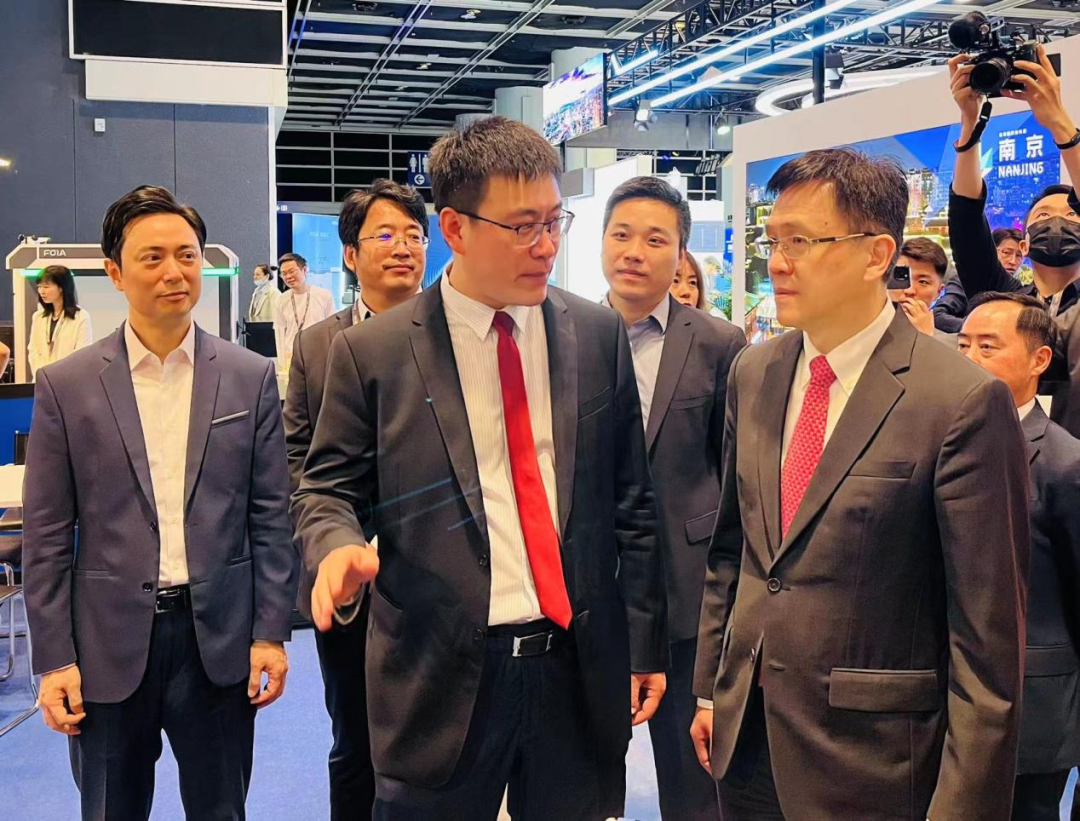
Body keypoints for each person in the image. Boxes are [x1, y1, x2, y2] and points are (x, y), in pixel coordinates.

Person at [292, 115, 669, 821]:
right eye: (523, 227)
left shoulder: (595, 334)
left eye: (555, 222)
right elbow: (326, 487)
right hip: (439, 672)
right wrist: (335, 545)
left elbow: (632, 502)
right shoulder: (374, 352)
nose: (547, 246)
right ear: (455, 229)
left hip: (573, 667)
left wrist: (644, 642)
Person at [690, 148, 1030, 820]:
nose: (777, 262)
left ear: (876, 255)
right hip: (748, 742)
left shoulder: (958, 400)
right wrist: (711, 687)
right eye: (772, 240)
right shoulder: (754, 373)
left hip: (874, 762)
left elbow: (986, 641)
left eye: (801, 242)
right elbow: (735, 550)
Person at [22, 185, 297, 820]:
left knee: (222, 809)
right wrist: (55, 657)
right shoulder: (67, 385)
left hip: (219, 641)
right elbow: (47, 533)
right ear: (115, 272)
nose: (174, 271)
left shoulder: (248, 376)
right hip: (107, 644)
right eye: (152, 257)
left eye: (186, 255)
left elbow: (269, 516)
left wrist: (270, 632)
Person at [284, 179, 428, 821]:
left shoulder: (454, 335)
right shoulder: (317, 346)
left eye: (415, 235)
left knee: (442, 738)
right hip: (347, 580)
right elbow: (298, 462)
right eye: (385, 235)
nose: (403, 247)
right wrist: (332, 544)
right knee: (354, 739)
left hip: (436, 574)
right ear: (350, 255)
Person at [601, 176, 744, 821]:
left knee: (692, 778)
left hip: (687, 587)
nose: (634, 251)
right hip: (589, 588)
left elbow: (733, 474)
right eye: (621, 235)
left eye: (655, 239)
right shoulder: (563, 332)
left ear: (681, 253)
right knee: (579, 771)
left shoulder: (719, 343)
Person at [958, 292, 1080, 821]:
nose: (969, 358)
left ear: (1039, 360)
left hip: (1032, 702)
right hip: (940, 695)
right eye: (963, 345)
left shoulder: (1064, 464)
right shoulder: (930, 440)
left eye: (988, 346)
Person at [949, 44, 1080, 435]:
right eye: (1043, 216)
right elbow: (967, 222)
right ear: (1024, 245)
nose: (1057, 222)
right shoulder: (1005, 302)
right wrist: (970, 125)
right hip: (1007, 455)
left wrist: (1059, 123)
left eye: (1072, 216)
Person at [933, 230, 1025, 333]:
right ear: (991, 253)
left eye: (1019, 256)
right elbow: (937, 315)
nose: (1013, 261)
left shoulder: (1019, 289)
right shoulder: (967, 280)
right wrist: (977, 329)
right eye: (1006, 253)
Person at [273, 252, 336, 379]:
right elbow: (279, 332)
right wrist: (282, 363)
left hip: (319, 356)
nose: (288, 276)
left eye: (292, 271)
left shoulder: (324, 295)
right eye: (284, 274)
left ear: (304, 270)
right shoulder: (281, 300)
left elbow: (332, 328)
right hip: (291, 357)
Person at [28, 265, 92, 379]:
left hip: (68, 381)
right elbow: (33, 351)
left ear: (62, 287)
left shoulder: (81, 317)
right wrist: (44, 376)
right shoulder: (38, 317)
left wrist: (57, 377)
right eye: (39, 286)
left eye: (46, 286)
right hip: (42, 381)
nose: (41, 291)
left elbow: (82, 355)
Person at [889, 237, 956, 344]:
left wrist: (924, 339)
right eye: (901, 277)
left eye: (923, 282)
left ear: (939, 292)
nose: (909, 290)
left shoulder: (954, 346)